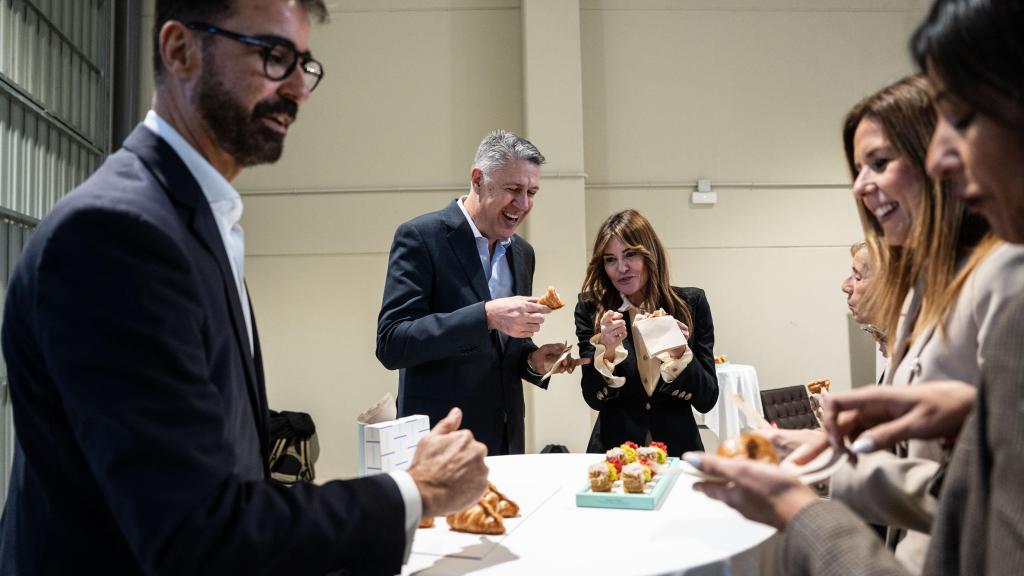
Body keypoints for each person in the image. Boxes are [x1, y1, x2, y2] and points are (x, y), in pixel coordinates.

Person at [0, 2, 488, 574]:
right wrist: (415, 492)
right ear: (180, 50)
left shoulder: (197, 218)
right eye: (274, 56)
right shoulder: (115, 232)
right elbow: (197, 530)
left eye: (303, 65)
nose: (300, 91)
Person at [687, 0, 1024, 574]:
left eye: (963, 119)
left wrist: (799, 508)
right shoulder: (924, 289)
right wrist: (821, 461)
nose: (948, 157)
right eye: (857, 169)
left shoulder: (1003, 284)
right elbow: (961, 481)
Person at [376, 130, 583, 456]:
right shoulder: (421, 237)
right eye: (513, 189)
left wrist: (533, 361)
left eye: (531, 192)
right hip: (442, 443)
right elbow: (392, 343)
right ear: (477, 180)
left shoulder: (522, 253)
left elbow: (504, 354)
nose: (524, 204)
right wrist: (485, 315)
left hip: (506, 443)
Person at [574, 209, 717, 457]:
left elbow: (707, 398)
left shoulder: (691, 304)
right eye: (610, 259)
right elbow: (593, 398)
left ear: (650, 254)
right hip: (615, 453)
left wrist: (681, 353)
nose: (621, 268)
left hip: (679, 450)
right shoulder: (591, 309)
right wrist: (606, 352)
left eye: (630, 254)